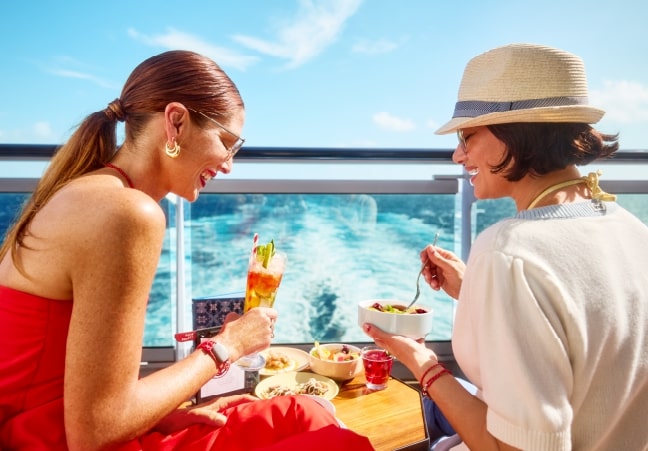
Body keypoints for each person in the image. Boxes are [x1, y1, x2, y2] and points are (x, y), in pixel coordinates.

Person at [0, 50, 373, 451]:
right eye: (226, 142)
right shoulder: (128, 212)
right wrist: (228, 345)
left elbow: (85, 391)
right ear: (175, 121)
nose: (228, 165)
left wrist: (161, 415)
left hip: (48, 423)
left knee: (302, 413)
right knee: (331, 439)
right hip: (47, 438)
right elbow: (95, 434)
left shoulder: (87, 192)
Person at [362, 43, 648, 450]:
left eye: (467, 136)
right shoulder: (633, 231)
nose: (458, 155)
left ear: (515, 134)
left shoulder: (508, 251)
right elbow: (583, 327)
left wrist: (422, 364)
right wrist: (473, 289)